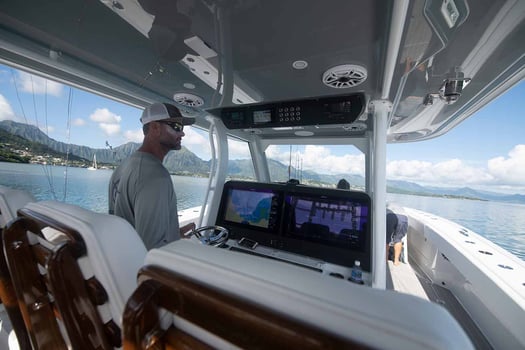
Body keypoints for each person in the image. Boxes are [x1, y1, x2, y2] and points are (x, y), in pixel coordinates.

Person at [108, 102, 196, 249]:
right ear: (155, 127)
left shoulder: (122, 167)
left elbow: (128, 222)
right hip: (142, 268)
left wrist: (173, 234)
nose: (182, 133)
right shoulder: (156, 176)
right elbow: (152, 249)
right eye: (176, 127)